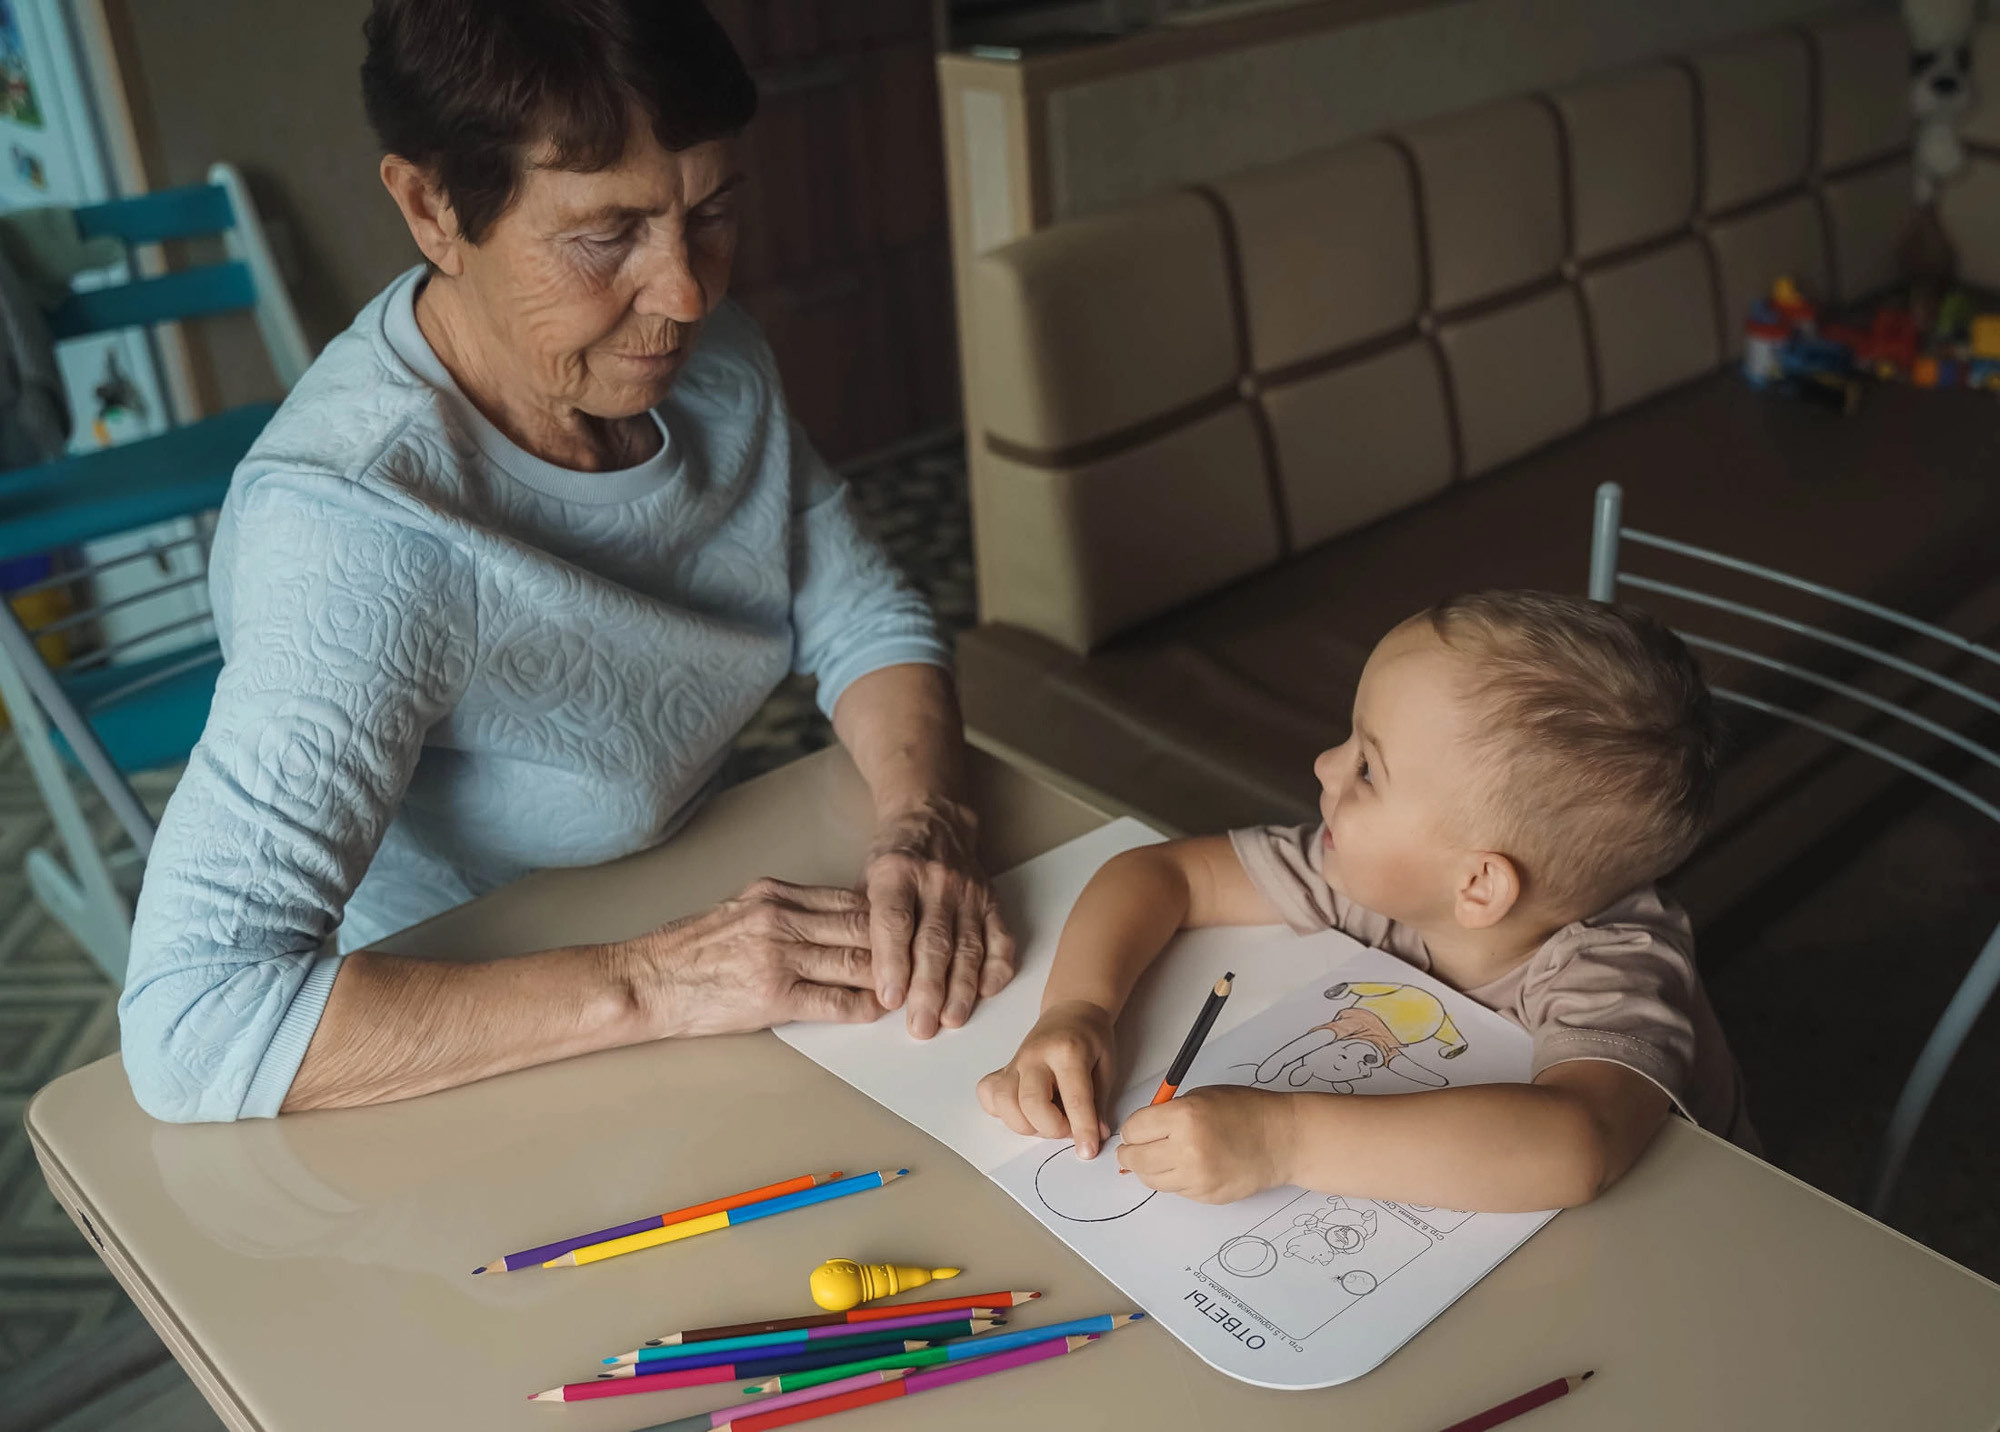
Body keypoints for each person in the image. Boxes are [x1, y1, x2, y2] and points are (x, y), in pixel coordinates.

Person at [118, 0, 1011, 1125]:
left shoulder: (711, 362)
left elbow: (864, 614)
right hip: (468, 1028)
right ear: (432, 207)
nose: (688, 294)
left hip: (693, 909)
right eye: (605, 235)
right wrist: (657, 980)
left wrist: (924, 825)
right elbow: (195, 1024)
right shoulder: (358, 530)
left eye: (713, 210)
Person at [978, 591, 1755, 1213]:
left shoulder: (1616, 966)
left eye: (1369, 769)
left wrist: (1283, 1140)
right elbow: (1165, 875)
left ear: (1478, 885)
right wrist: (1076, 1009)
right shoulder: (1367, 870)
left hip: (1709, 1223)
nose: (1323, 765)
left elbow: (1576, 1146)